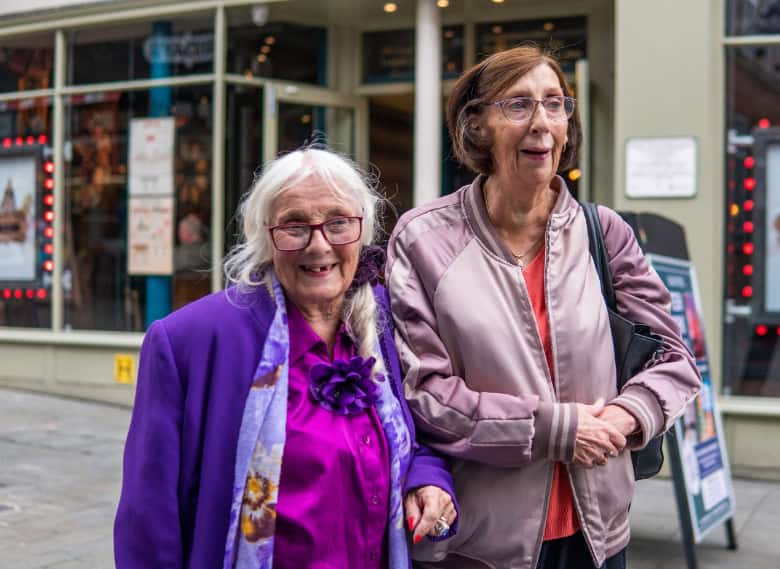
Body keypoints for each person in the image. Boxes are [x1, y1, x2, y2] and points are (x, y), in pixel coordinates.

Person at [386, 46, 701, 569]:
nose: (542, 123)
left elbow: (674, 360)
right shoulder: (423, 239)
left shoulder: (605, 233)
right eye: (518, 105)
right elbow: (428, 395)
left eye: (555, 104)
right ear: (476, 125)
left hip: (598, 538)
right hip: (480, 544)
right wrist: (558, 430)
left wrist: (624, 417)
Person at [115, 147, 458, 569]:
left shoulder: (386, 320)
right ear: (265, 235)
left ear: (362, 230)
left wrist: (429, 480)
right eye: (295, 226)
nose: (319, 246)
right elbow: (148, 519)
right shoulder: (189, 341)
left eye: (338, 223)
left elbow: (422, 437)